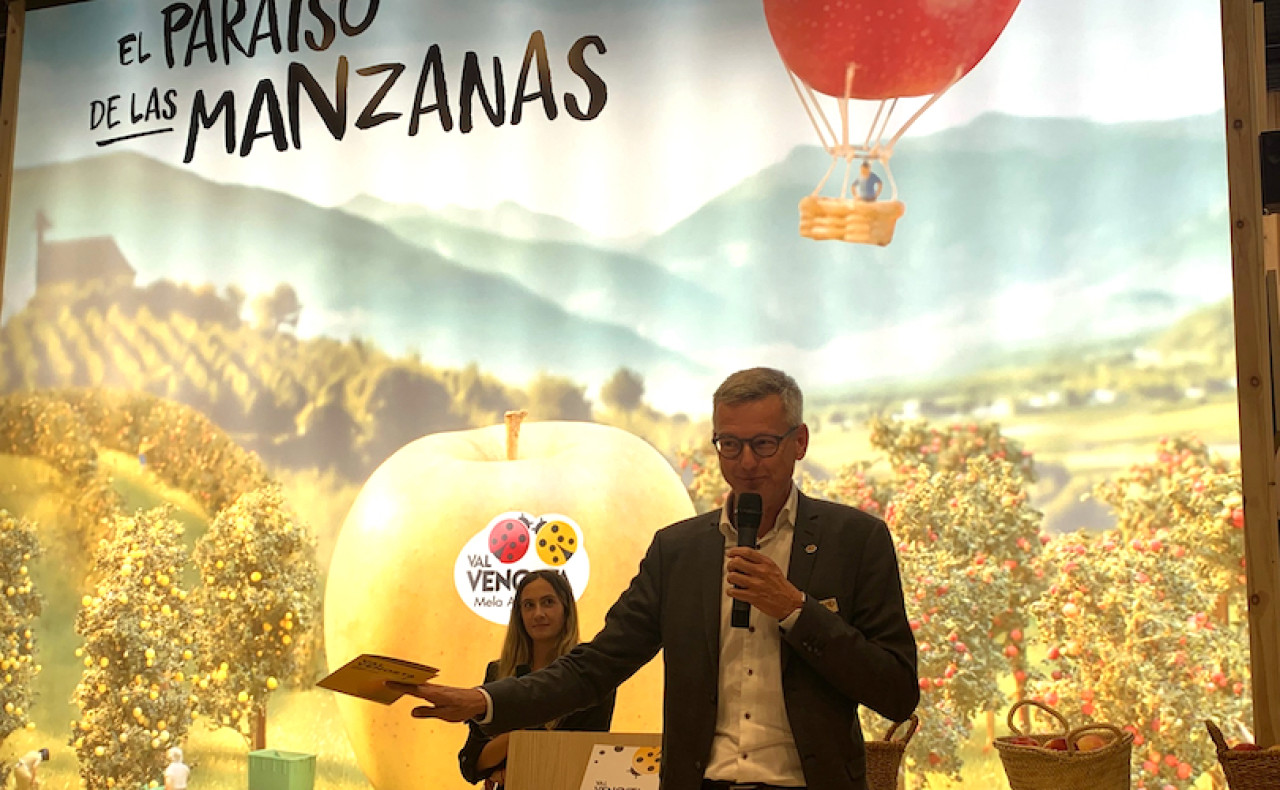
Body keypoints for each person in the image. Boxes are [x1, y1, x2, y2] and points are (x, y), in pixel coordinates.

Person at [395, 368, 919, 790]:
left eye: (763, 443)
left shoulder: (856, 540)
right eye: (729, 445)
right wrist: (487, 701)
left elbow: (896, 692)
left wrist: (797, 611)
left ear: (798, 441)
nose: (746, 463)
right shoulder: (679, 551)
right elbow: (595, 667)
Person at [459, 570, 615, 789]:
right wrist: (516, 738)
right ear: (519, 615)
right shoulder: (497, 672)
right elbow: (471, 763)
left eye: (548, 602)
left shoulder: (590, 672)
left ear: (566, 609)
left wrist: (513, 754)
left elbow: (585, 756)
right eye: (529, 605)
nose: (538, 614)